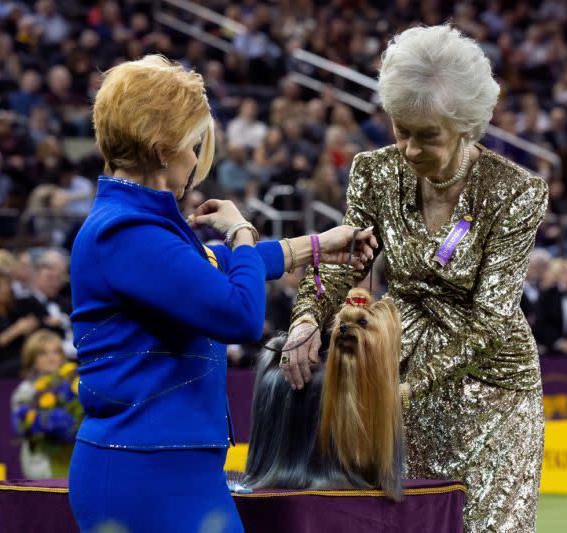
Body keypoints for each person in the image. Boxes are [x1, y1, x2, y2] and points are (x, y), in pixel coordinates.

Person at [67, 55, 376, 532]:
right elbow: (240, 314)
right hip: (145, 469)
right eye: (192, 146)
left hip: (166, 461)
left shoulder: (136, 222)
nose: (197, 160)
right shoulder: (127, 231)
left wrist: (316, 246)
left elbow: (218, 268)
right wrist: (242, 230)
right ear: (161, 148)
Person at [282, 25, 548, 531]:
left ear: (467, 126)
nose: (408, 148)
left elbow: (490, 319)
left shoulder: (517, 192)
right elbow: (346, 263)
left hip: (493, 392)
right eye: (400, 130)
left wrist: (398, 391)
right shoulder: (373, 172)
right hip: (396, 374)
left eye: (428, 136)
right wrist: (307, 319)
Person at [10, 329, 67, 479]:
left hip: (70, 462)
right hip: (40, 464)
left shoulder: (73, 387)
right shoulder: (25, 391)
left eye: (56, 352)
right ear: (32, 358)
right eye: (43, 353)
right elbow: (22, 428)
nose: (51, 358)